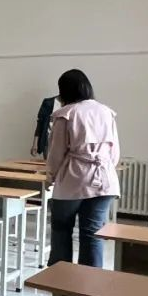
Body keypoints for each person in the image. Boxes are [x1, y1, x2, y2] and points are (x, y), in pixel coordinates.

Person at [46, 69, 120, 268]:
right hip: (104, 180)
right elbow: (114, 154)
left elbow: (56, 153)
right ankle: (90, 281)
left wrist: (51, 177)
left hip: (73, 179)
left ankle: (60, 277)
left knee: (62, 230)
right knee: (93, 234)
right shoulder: (107, 112)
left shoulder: (66, 113)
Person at [30, 94, 62, 158]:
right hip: (49, 141)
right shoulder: (48, 102)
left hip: (66, 143)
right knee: (48, 163)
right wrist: (35, 144)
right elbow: (40, 123)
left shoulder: (73, 104)